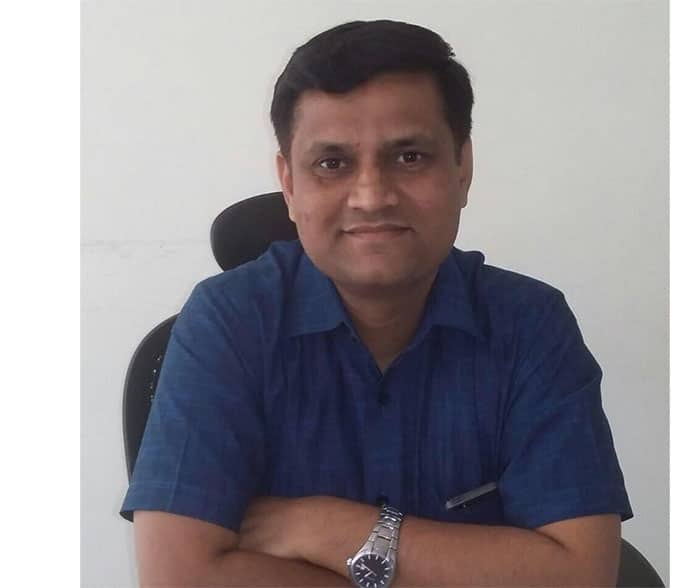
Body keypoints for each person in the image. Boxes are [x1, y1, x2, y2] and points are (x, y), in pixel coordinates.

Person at [122, 19, 633, 587]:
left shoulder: (530, 325)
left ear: (462, 168)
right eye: (332, 164)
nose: (371, 196)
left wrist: (328, 528)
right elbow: (177, 577)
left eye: (409, 157)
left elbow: (582, 574)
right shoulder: (227, 323)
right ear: (289, 184)